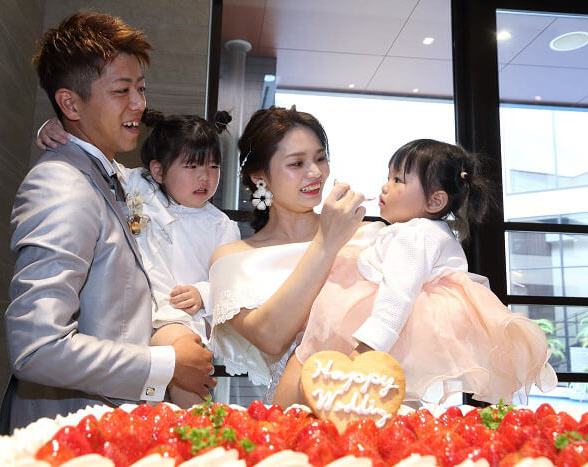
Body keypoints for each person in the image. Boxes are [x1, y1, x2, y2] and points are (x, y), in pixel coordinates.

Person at [2, 12, 215, 431]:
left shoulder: (108, 174)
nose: (138, 104)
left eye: (140, 88)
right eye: (121, 90)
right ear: (70, 103)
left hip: (109, 425)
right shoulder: (61, 184)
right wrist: (166, 363)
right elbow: (36, 347)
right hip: (72, 432)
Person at [276, 139, 557, 406]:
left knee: (315, 379)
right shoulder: (431, 232)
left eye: (398, 180)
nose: (385, 187)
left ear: (435, 201)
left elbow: (398, 295)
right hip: (397, 333)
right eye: (388, 177)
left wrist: (367, 348)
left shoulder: (414, 235)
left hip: (378, 328)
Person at [37, 108, 240, 408]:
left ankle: (196, 426)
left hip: (177, 318)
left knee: (183, 360)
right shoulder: (137, 185)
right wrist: (56, 128)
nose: (205, 177)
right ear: (158, 171)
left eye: (213, 166)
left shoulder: (222, 226)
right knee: (137, 398)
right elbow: (96, 161)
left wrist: (203, 293)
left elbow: (231, 283)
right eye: (191, 166)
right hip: (127, 313)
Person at [208, 106, 368, 403]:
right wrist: (327, 243)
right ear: (260, 177)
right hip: (294, 411)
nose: (315, 173)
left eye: (320, 158)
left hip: (378, 402)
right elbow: (270, 337)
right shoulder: (233, 259)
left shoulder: (365, 236)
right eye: (297, 163)